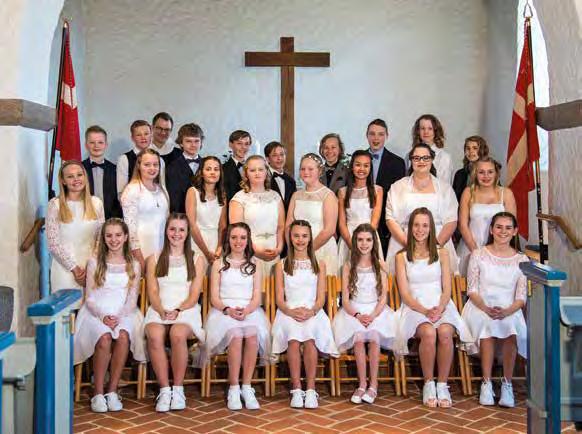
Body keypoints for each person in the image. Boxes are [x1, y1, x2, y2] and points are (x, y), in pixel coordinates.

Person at [394, 208, 471, 408]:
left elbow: (447, 289)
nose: (420, 230)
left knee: (444, 333)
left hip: (440, 304)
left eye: (425, 225)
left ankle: (443, 384)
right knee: (428, 333)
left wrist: (440, 307)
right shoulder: (401, 257)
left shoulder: (442, 253)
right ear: (410, 228)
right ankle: (429, 383)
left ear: (431, 228)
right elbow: (405, 294)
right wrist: (424, 311)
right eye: (416, 225)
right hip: (415, 307)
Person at [74, 218, 145, 412]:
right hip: (96, 311)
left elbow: (132, 298)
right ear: (104, 238)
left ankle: (112, 391)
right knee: (104, 337)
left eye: (118, 235)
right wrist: (103, 316)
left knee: (123, 336)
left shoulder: (134, 264)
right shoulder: (94, 262)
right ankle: (98, 393)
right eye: (109, 236)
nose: (114, 240)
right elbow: (89, 298)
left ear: (126, 237)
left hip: (124, 312)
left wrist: (119, 317)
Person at [461, 212, 528, 408]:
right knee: (487, 326)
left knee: (511, 327)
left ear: (515, 231)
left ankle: (507, 384)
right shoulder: (478, 254)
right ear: (491, 229)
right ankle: (486, 382)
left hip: (509, 308)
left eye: (508, 228)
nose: (503, 231)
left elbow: (521, 297)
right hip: (480, 306)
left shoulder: (521, 259)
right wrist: (486, 308)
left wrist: (507, 311)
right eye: (499, 227)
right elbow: (472, 290)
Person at [202, 223, 271, 411]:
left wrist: (247, 311)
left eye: (242, 238)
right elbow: (214, 298)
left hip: (249, 310)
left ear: (248, 241)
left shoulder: (255, 264)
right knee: (236, 335)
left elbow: (256, 297)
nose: (238, 241)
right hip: (224, 311)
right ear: (228, 240)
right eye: (234, 237)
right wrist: (228, 310)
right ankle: (233, 387)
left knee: (252, 335)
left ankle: (246, 386)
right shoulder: (219, 264)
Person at [271, 220, 339, 409]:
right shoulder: (281, 265)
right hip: (288, 311)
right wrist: (290, 311)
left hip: (312, 310)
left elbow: (321, 298)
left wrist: (312, 311)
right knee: (293, 339)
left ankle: (310, 389)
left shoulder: (319, 264)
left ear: (310, 238)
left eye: (304, 236)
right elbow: (279, 298)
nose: (300, 240)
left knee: (310, 338)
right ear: (290, 238)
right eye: (296, 236)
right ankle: (296, 389)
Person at [144, 213, 206, 412]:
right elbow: (153, 291)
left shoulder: (197, 259)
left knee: (177, 334)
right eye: (172, 229)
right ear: (166, 231)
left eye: (181, 230)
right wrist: (161, 309)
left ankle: (178, 389)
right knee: (154, 335)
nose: (176, 234)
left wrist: (179, 309)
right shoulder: (154, 258)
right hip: (160, 308)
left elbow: (194, 294)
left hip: (186, 309)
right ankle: (164, 390)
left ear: (187, 233)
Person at [332, 223, 396, 404]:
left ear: (374, 242)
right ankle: (361, 384)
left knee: (374, 338)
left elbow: (383, 298)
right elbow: (345, 300)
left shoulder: (380, 265)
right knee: (358, 339)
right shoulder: (348, 266)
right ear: (355, 242)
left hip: (376, 310)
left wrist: (373, 315)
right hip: (354, 310)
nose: (364, 244)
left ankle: (373, 385)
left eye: (368, 240)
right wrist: (358, 315)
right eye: (360, 240)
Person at [385, 143, 459, 273]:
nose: (421, 161)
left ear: (432, 160)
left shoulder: (445, 189)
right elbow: (390, 219)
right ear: (411, 160)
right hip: (403, 244)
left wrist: (435, 247)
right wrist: (408, 245)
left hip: (438, 244)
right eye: (416, 158)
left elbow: (451, 220)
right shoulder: (397, 187)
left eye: (425, 158)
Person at [47, 160, 105, 291]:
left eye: (79, 175)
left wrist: (91, 266)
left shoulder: (97, 203)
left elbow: (100, 238)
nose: (76, 179)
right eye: (70, 176)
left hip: (91, 267)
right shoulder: (55, 205)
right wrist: (75, 269)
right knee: (67, 304)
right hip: (65, 270)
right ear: (63, 181)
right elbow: (53, 244)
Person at [457, 157, 516, 275]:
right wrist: (476, 252)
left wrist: (495, 253)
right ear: (475, 174)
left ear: (496, 173)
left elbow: (511, 226)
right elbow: (463, 225)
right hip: (471, 247)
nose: (486, 176)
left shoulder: (507, 194)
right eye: (481, 172)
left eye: (490, 172)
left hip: (499, 249)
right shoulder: (468, 192)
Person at [229, 155, 284, 276]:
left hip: (274, 252)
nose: (257, 173)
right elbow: (237, 232)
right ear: (246, 174)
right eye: (252, 170)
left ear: (266, 171)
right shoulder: (239, 199)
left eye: (261, 169)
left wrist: (279, 248)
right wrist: (256, 251)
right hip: (249, 253)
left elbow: (281, 227)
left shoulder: (275, 196)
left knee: (273, 286)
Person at [286, 154, 338, 273]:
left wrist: (308, 250)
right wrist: (293, 249)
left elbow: (329, 230)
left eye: (310, 169)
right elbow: (288, 224)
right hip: (298, 249)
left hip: (321, 248)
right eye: (303, 169)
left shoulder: (328, 195)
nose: (306, 172)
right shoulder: (296, 195)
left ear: (319, 171)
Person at [120, 149, 169, 270]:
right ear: (139, 166)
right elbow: (130, 228)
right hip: (142, 249)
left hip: (162, 248)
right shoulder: (132, 190)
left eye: (155, 164)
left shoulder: (162, 189)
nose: (152, 168)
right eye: (147, 165)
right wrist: (138, 258)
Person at [337, 150, 383, 273]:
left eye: (366, 165)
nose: (361, 169)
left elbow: (375, 222)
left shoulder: (377, 190)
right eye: (358, 165)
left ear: (370, 168)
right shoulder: (342, 192)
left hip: (369, 238)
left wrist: (366, 241)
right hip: (348, 238)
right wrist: (352, 245)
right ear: (352, 167)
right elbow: (342, 223)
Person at [366, 118, 406, 256]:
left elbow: (399, 197)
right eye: (372, 134)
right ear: (367, 136)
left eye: (380, 134)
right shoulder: (357, 159)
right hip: (361, 217)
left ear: (386, 136)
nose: (376, 138)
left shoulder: (398, 163)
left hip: (385, 225)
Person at [185, 156, 227, 266]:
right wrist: (206, 252)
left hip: (216, 244)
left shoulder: (222, 195)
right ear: (202, 173)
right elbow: (192, 225)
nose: (213, 172)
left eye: (216, 169)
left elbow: (222, 225)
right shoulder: (192, 192)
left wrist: (219, 247)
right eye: (208, 169)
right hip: (197, 242)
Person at [82, 125, 122, 219]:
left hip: (110, 220)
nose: (96, 146)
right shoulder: (79, 169)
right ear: (86, 145)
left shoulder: (115, 169)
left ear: (106, 145)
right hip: (85, 219)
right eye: (92, 142)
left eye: (100, 142)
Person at [165, 123, 204, 213]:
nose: (193, 145)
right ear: (181, 143)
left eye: (196, 141)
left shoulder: (207, 165)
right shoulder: (172, 167)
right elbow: (174, 200)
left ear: (201, 142)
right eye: (188, 141)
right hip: (182, 215)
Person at [412, 114, 453, 185]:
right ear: (418, 131)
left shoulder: (445, 157)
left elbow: (445, 185)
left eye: (430, 128)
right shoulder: (409, 156)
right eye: (422, 128)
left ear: (436, 131)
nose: (426, 132)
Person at [452, 136, 490, 203]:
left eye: (475, 148)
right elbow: (454, 200)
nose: (471, 151)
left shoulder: (490, 172)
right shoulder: (459, 174)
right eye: (468, 148)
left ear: (482, 150)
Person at [264, 141, 296, 212]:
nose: (279, 158)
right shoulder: (263, 178)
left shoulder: (291, 180)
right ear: (267, 159)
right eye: (275, 155)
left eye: (282, 154)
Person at [223, 130, 252, 202]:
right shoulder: (222, 169)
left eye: (246, 144)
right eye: (239, 143)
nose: (243, 147)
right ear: (230, 144)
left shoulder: (254, 168)